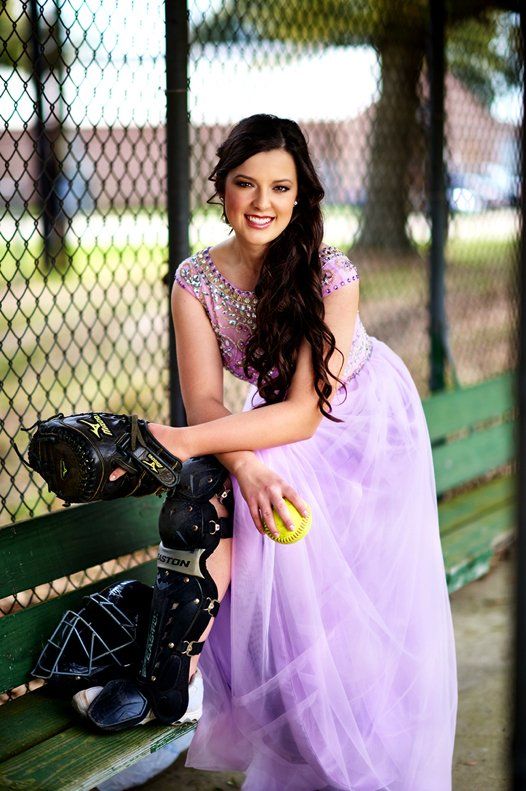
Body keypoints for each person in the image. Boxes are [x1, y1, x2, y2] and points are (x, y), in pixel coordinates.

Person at [112, 113, 458, 790]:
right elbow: (208, 402)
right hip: (271, 422)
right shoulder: (196, 280)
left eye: (279, 186)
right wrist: (240, 459)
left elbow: (304, 411)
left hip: (359, 418)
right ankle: (176, 666)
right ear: (222, 187)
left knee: (332, 575)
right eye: (246, 183)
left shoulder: (331, 272)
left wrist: (175, 442)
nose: (262, 202)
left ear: (301, 195)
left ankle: (181, 661)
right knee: (227, 484)